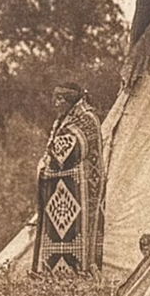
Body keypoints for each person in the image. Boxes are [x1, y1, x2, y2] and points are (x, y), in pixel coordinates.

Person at [32, 82, 105, 274]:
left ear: (70, 100)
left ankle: (79, 275)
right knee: (60, 235)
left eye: (60, 99)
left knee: (79, 237)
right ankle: (57, 276)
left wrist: (48, 159)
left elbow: (69, 152)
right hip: (63, 194)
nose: (56, 103)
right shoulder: (63, 121)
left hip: (81, 191)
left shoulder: (87, 119)